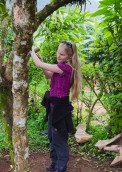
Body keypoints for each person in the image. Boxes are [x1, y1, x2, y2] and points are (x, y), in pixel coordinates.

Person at [30, 41, 81, 172]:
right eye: (58, 52)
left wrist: (30, 50)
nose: (58, 56)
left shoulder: (65, 68)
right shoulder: (60, 67)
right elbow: (48, 74)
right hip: (54, 107)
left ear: (69, 57)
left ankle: (61, 167)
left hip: (60, 109)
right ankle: (54, 163)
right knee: (52, 137)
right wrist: (42, 64)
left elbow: (38, 63)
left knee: (59, 140)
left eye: (62, 54)